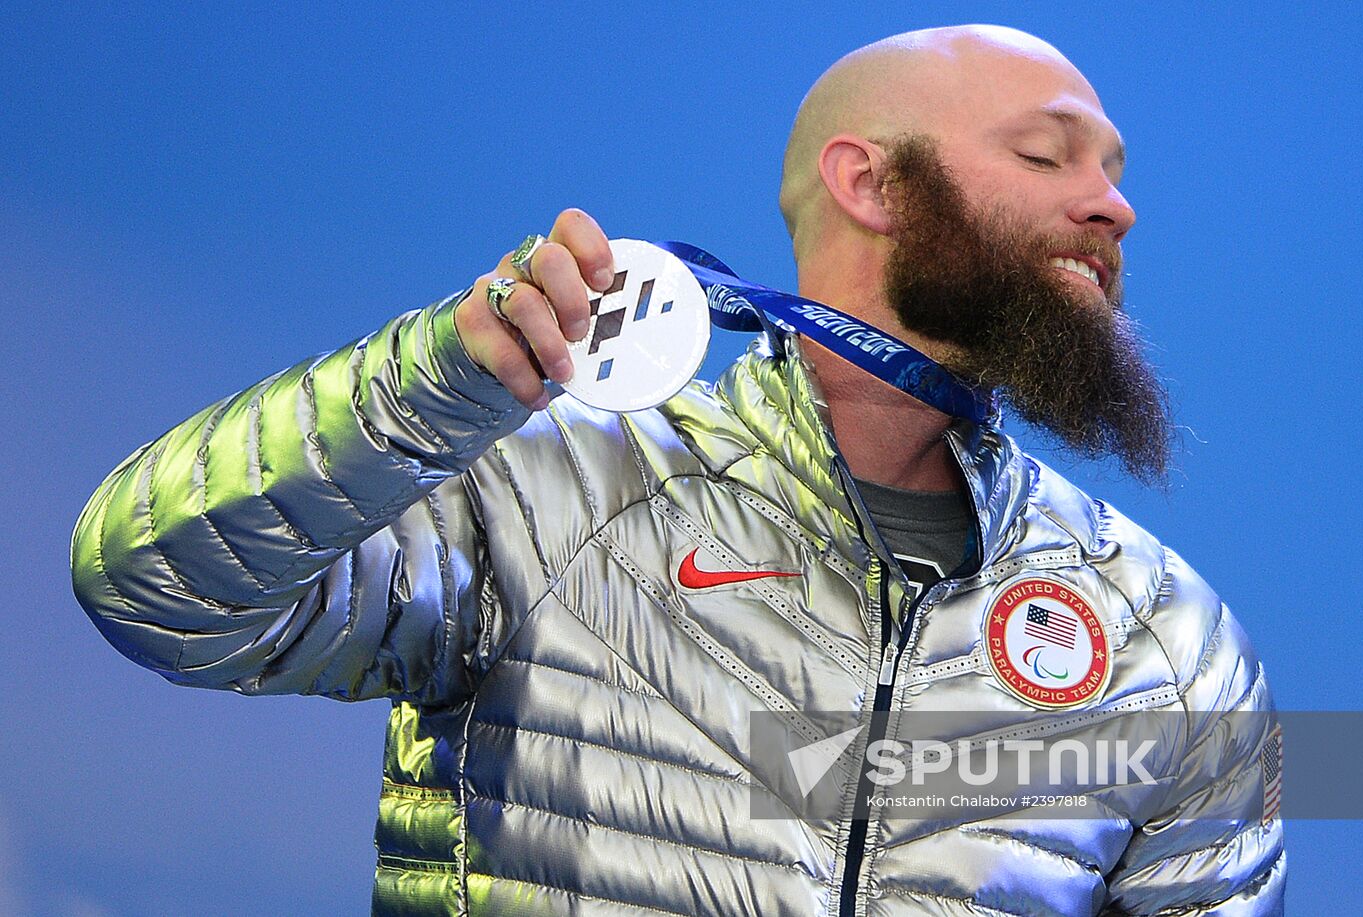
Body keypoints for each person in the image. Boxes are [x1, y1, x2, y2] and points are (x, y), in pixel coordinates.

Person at [70, 24, 1284, 917]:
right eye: (1047, 156)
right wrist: (448, 375)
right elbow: (153, 587)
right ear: (870, 183)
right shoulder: (556, 490)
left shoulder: (1158, 635)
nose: (1111, 205)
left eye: (1115, 169)